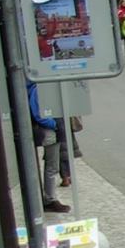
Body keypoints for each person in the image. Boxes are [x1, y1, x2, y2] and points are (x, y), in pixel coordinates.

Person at [27, 83, 73, 213]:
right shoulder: (39, 88)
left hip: (54, 128)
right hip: (50, 130)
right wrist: (54, 124)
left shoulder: (41, 86)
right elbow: (38, 113)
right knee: (52, 166)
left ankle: (49, 198)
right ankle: (50, 199)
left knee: (52, 165)